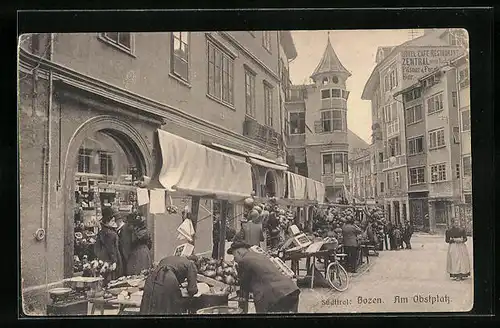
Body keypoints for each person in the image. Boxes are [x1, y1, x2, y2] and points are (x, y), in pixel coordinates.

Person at [227, 241, 300, 313]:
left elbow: (244, 284)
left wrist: (235, 281)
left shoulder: (244, 261)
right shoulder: (260, 255)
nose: (235, 260)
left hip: (275, 295)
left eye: (234, 256)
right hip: (291, 289)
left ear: (238, 252)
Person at [94, 207, 122, 281]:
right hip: (110, 260)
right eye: (112, 220)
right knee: (111, 279)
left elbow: (96, 249)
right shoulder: (111, 234)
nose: (114, 222)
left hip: (103, 259)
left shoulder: (102, 232)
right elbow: (112, 250)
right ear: (108, 221)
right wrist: (114, 261)